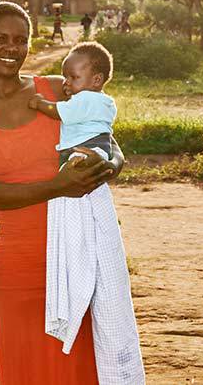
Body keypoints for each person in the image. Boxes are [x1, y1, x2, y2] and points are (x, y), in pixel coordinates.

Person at [0, 0, 124, 383]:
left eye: (20, 40)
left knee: (83, 372)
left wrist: (111, 164)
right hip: (19, 266)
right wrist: (56, 186)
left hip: (78, 258)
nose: (11, 48)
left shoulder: (58, 90)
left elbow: (107, 141)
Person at [26, 42, 141, 384]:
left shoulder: (86, 100)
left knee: (77, 244)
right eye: (65, 77)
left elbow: (64, 113)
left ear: (95, 80)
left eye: (72, 77)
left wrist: (40, 104)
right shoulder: (99, 100)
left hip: (81, 159)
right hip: (89, 159)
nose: (66, 84)